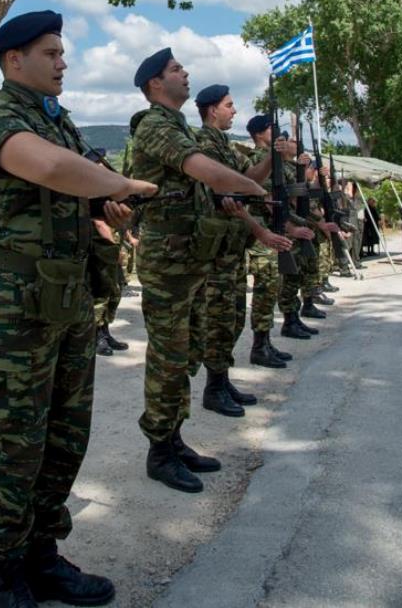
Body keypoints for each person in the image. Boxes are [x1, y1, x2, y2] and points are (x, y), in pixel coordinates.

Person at [0, 10, 156, 608]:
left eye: (61, 52)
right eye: (50, 52)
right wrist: (117, 184)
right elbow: (48, 167)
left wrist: (105, 210)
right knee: (18, 437)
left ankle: (44, 555)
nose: (62, 61)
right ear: (13, 60)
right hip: (15, 302)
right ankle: (6, 574)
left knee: (65, 436)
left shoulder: (61, 120)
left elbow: (71, 189)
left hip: (68, 296)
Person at [130, 51, 274, 495]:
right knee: (169, 358)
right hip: (166, 262)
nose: (185, 73)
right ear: (155, 84)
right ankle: (159, 451)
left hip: (189, 258)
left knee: (186, 353)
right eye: (175, 70)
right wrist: (251, 187)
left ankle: (174, 438)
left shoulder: (176, 126)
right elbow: (203, 170)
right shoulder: (154, 124)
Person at [193, 85, 293, 415]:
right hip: (217, 249)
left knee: (233, 318)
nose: (234, 111)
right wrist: (262, 231)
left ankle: (221, 380)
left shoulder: (223, 144)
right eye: (229, 105)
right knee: (219, 320)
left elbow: (249, 177)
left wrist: (273, 156)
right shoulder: (204, 144)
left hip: (232, 248)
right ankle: (213, 386)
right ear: (212, 111)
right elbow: (229, 194)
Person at [244, 115, 316, 367]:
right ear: (257, 135)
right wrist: (291, 228)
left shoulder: (277, 161)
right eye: (270, 129)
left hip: (276, 228)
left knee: (274, 285)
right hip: (261, 231)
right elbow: (266, 200)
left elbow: (286, 198)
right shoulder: (256, 160)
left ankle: (266, 342)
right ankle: (259, 346)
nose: (276, 132)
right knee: (266, 289)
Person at [92, 217, 129, 357]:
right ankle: (97, 337)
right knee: (101, 294)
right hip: (102, 249)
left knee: (114, 292)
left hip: (110, 249)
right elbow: (99, 222)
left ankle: (105, 333)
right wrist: (113, 247)